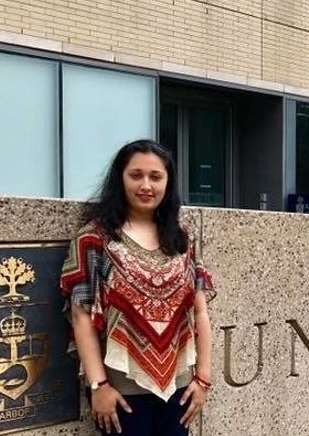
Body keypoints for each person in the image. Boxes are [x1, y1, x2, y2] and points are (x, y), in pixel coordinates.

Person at [60, 140, 216, 435]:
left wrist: (203, 379)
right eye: (136, 175)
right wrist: (98, 385)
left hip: (180, 389)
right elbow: (81, 317)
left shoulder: (182, 237)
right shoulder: (95, 238)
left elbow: (200, 312)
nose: (146, 185)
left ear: (168, 183)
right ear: (120, 178)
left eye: (155, 177)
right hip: (120, 392)